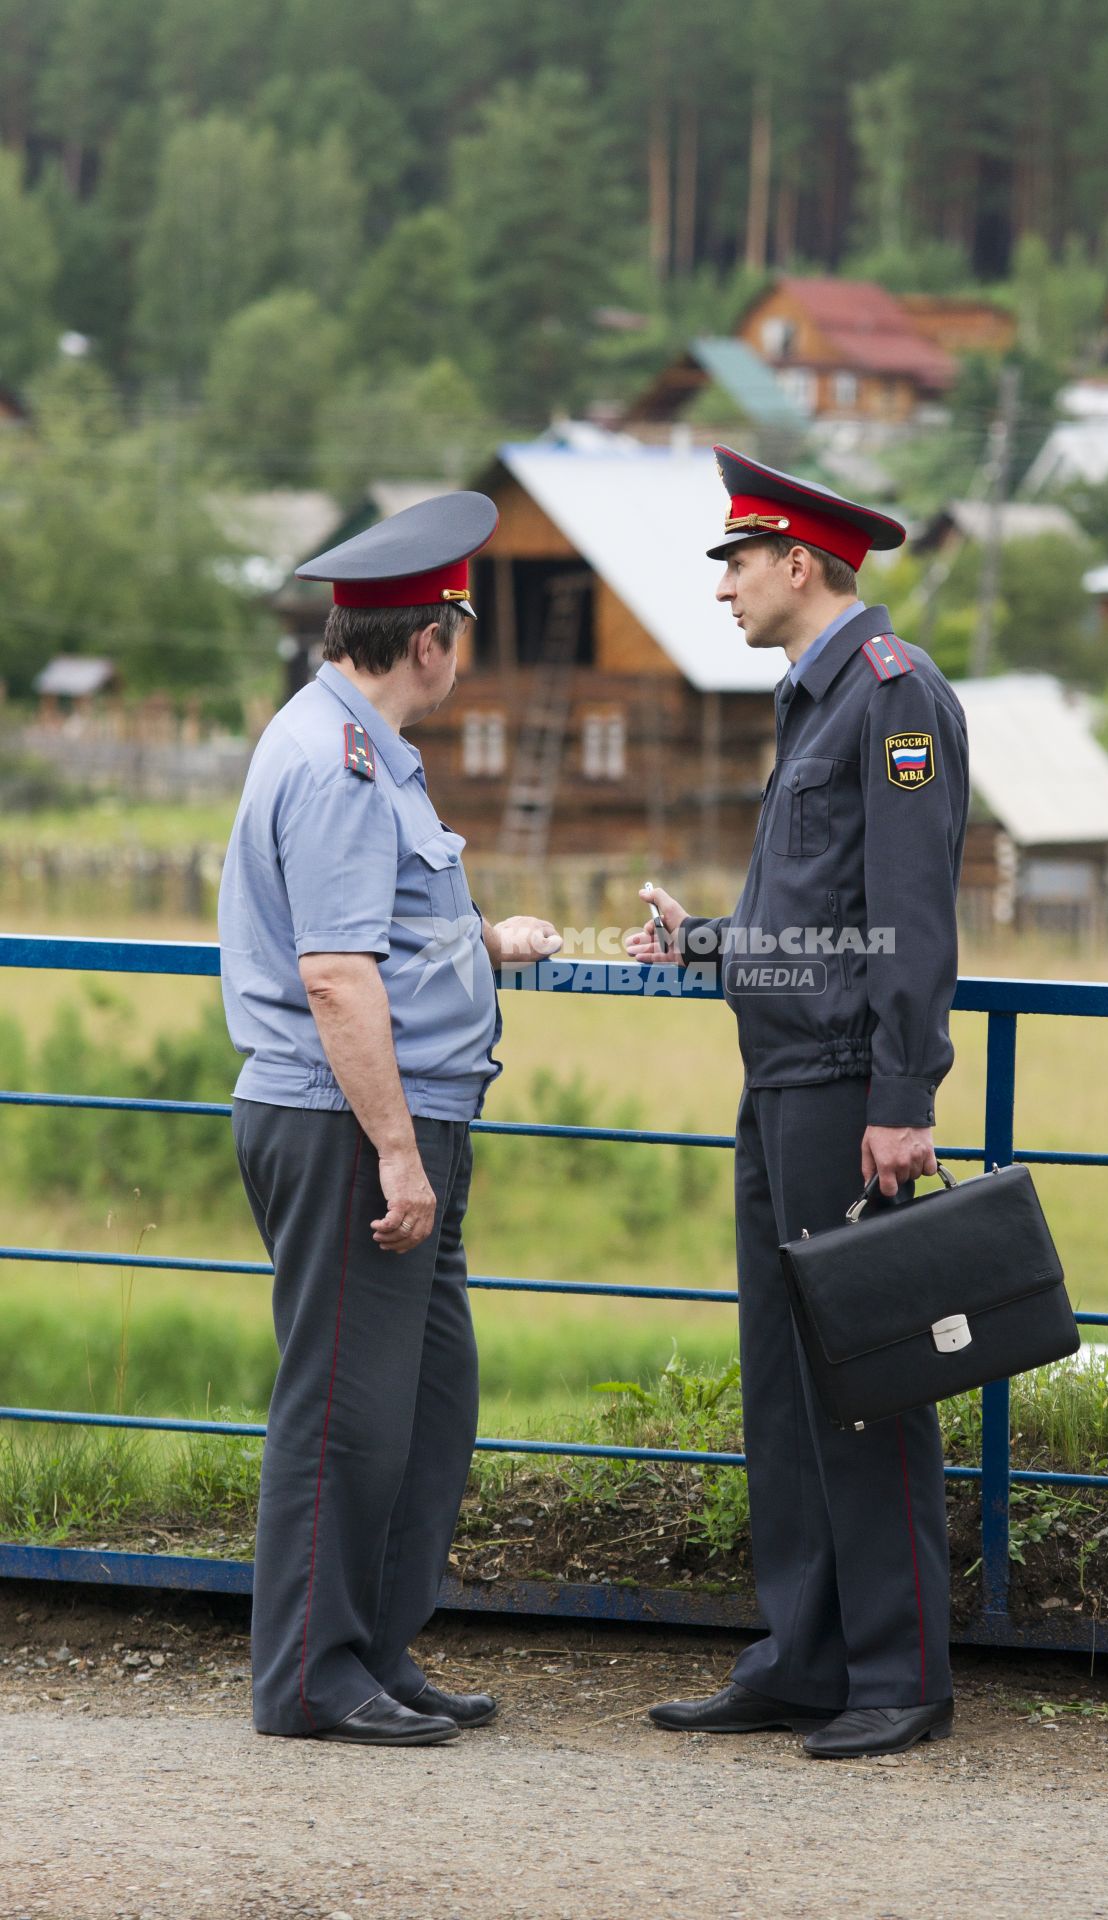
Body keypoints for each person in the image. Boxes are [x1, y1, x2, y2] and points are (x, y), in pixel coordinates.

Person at [626, 447, 970, 1759]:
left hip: (845, 1096)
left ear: (802, 562)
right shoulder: (812, 699)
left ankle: (896, 1675)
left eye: (737, 560)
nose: (722, 585)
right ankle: (806, 1654)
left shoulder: (889, 697)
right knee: (782, 1380)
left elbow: (909, 919)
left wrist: (901, 1094)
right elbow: (814, 919)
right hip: (780, 1082)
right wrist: (712, 945)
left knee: (867, 1380)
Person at [219, 492, 561, 1746]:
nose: (458, 650)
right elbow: (332, 974)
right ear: (430, 640)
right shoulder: (339, 762)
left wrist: (482, 941)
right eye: (459, 628)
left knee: (425, 1407)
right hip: (355, 1130)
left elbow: (383, 935)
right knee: (346, 1413)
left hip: (398, 1124)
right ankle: (312, 1675)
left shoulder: (361, 751)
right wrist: (400, 1157)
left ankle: (373, 1646)